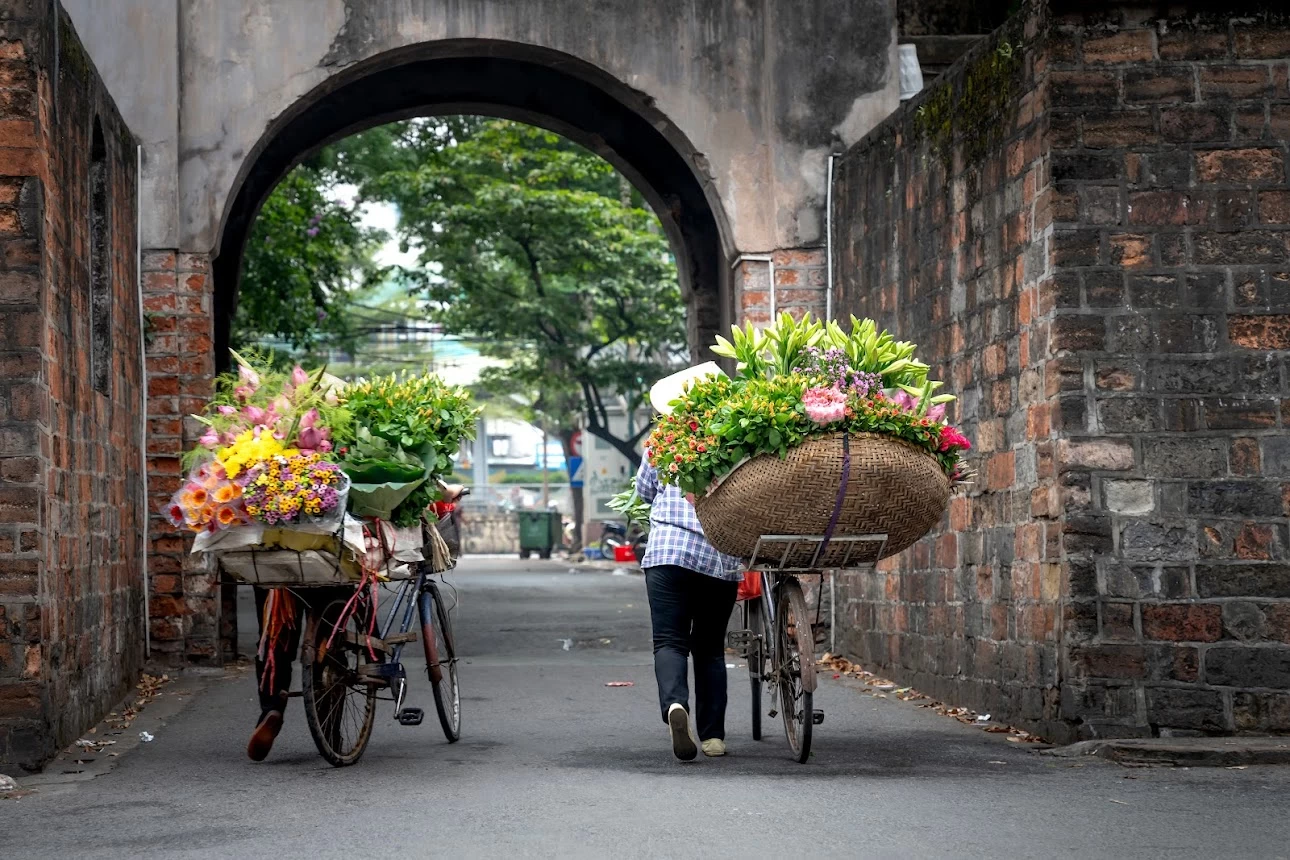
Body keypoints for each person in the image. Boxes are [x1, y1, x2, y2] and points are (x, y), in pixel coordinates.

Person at [636, 363, 743, 761]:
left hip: (666, 553)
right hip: (719, 554)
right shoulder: (736, 439)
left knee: (669, 641)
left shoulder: (661, 440)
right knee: (711, 648)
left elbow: (645, 490)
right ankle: (713, 736)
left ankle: (674, 706)